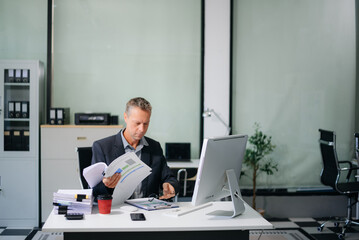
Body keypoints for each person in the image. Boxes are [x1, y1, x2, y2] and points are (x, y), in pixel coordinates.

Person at [91, 97, 179, 200]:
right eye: (137, 123)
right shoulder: (102, 147)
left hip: (148, 211)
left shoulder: (154, 147)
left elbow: (169, 177)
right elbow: (94, 190)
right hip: (117, 211)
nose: (142, 129)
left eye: (146, 123)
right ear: (125, 117)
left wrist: (170, 185)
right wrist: (105, 185)